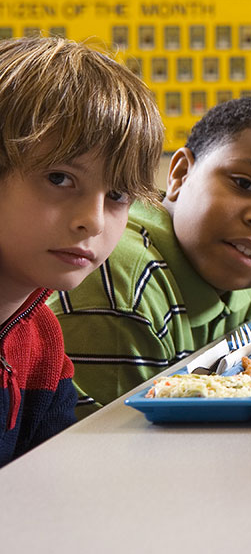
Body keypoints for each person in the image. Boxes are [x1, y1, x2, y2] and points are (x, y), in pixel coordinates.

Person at [51, 97, 251, 418]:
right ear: (180, 175)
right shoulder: (126, 288)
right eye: (244, 184)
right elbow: (119, 440)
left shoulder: (237, 273)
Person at [0, 37, 162, 463]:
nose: (93, 220)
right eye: (59, 178)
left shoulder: (41, 341)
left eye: (118, 195)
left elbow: (50, 487)